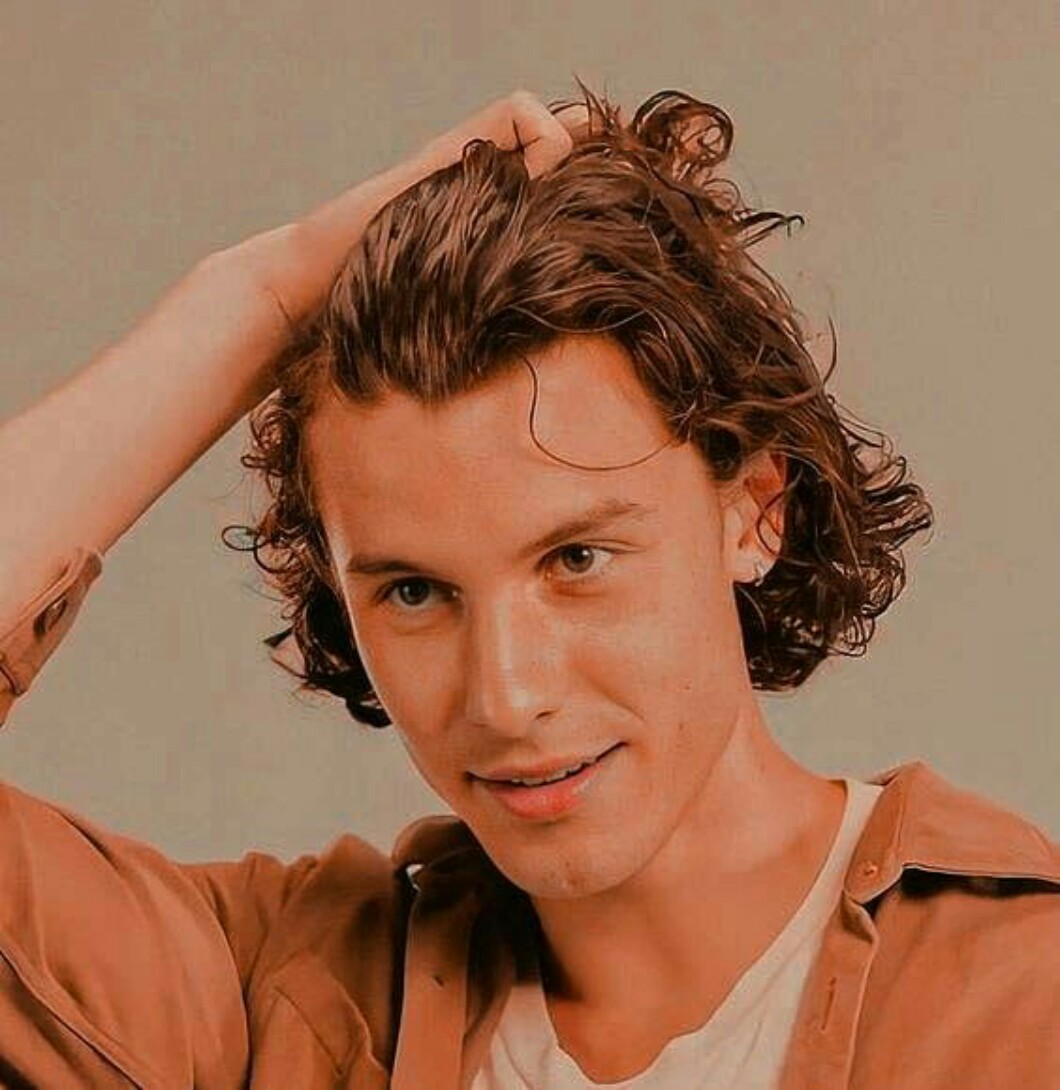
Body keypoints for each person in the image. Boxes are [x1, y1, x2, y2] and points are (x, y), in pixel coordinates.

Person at [0, 87, 1056, 1090]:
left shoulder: (1019, 998)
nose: (504, 697)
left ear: (754, 511)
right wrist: (262, 299)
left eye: (577, 560)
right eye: (416, 592)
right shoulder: (287, 1002)